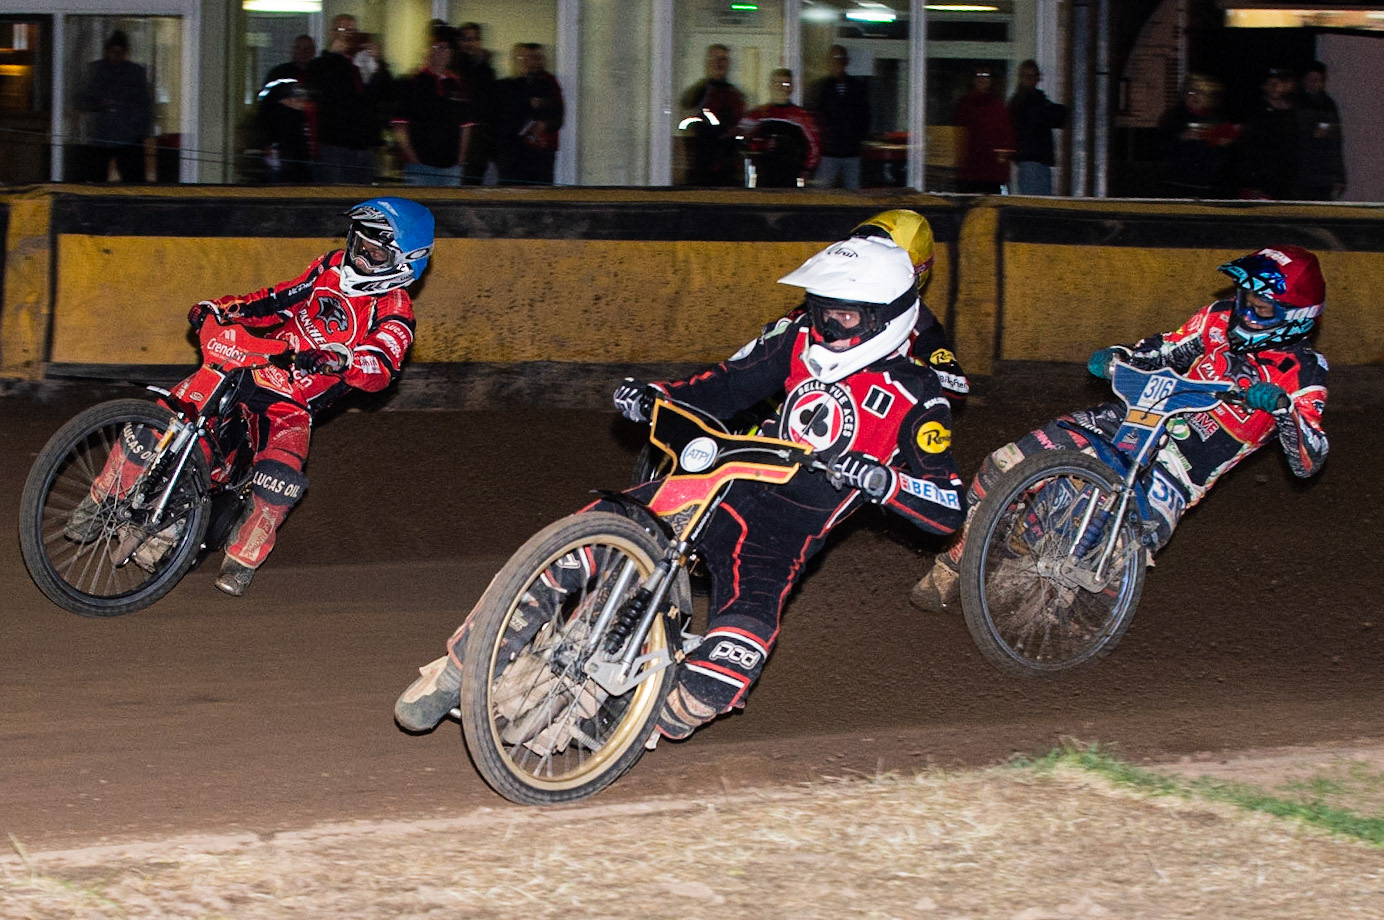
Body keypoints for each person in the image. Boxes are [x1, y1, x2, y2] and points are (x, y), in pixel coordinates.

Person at [395, 235, 967, 736]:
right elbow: (723, 385)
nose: (825, 326)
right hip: (719, 486)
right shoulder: (797, 343)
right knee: (595, 526)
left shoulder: (919, 397)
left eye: (843, 317)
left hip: (777, 540)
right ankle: (456, 671)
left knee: (721, 680)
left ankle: (631, 724)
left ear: (886, 317)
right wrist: (658, 397)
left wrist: (884, 481)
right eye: (820, 311)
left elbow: (948, 509)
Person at [910, 245, 1329, 612]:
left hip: (1183, 469)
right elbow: (1166, 348)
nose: (1246, 310)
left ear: (1296, 316)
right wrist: (1121, 355)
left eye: (1262, 306)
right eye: (1245, 298)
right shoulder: (1217, 320)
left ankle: (1061, 637)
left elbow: (1310, 459)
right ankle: (950, 566)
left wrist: (1283, 409)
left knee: (1106, 570)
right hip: (1135, 419)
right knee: (1006, 464)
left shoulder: (1305, 372)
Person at [70, 199, 432, 598]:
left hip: (291, 403)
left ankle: (242, 559)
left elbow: (382, 365)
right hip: (253, 363)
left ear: (404, 262)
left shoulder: (395, 311)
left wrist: (341, 359)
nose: (359, 257)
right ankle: (100, 501)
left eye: (374, 252)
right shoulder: (327, 267)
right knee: (163, 420)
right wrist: (220, 309)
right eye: (358, 244)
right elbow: (274, 300)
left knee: (280, 479)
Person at [307, 14, 393, 184]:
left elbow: (386, 93)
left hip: (364, 144)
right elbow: (316, 85)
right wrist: (333, 55)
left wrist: (378, 63)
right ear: (331, 33)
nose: (346, 34)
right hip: (335, 145)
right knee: (336, 198)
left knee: (361, 199)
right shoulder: (323, 63)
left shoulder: (363, 64)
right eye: (341, 29)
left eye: (351, 30)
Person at [391, 25, 471, 187]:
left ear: (451, 53)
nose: (440, 52)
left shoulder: (457, 84)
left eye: (445, 48)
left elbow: (466, 126)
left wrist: (461, 159)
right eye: (436, 47)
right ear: (428, 50)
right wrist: (412, 157)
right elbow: (399, 125)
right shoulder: (412, 82)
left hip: (451, 168)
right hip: (420, 167)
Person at [74, 30, 154, 184]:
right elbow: (80, 99)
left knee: (134, 183)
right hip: (100, 136)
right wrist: (97, 105)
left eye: (120, 52)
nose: (116, 56)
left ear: (125, 53)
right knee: (95, 181)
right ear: (107, 51)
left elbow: (144, 104)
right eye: (113, 52)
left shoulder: (135, 73)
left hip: (129, 137)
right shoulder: (95, 71)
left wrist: (140, 130)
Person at [1155, 73, 1240, 199]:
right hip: (1177, 183)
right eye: (1191, 92)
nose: (1195, 96)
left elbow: (1225, 157)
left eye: (1201, 92)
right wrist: (1181, 138)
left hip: (1206, 185)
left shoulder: (1216, 119)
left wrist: (1224, 144)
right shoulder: (1174, 117)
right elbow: (1159, 147)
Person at [495, 43, 565, 185]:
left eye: (529, 58)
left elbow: (557, 116)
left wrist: (544, 124)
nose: (525, 61)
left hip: (538, 156)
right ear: (513, 60)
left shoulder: (545, 85)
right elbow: (498, 120)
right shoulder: (502, 87)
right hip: (511, 156)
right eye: (521, 57)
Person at [678, 44, 747, 186]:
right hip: (701, 170)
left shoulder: (735, 95)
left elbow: (740, 128)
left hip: (729, 170)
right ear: (707, 62)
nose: (719, 63)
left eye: (723, 59)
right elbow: (688, 124)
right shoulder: (697, 93)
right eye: (715, 58)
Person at [738, 68, 820, 188]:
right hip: (763, 176)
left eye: (786, 84)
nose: (782, 88)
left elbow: (814, 146)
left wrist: (806, 170)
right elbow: (742, 138)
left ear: (792, 87)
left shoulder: (801, 117)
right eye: (778, 83)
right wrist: (762, 145)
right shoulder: (758, 114)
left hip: (790, 176)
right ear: (771, 86)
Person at [809, 45, 871, 190]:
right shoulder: (821, 87)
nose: (837, 63)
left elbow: (865, 115)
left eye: (840, 58)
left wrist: (858, 137)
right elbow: (815, 117)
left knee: (853, 191)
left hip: (852, 151)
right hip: (828, 151)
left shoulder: (857, 87)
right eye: (833, 59)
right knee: (821, 192)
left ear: (846, 61)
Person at [257, 34, 317, 184]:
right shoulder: (279, 75)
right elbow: (265, 109)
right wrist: (267, 142)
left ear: (313, 51)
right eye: (299, 48)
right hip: (283, 144)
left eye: (307, 48)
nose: (303, 52)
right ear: (293, 50)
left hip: (311, 147)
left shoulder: (318, 75)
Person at [1237, 67, 1299, 200]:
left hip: (1286, 182)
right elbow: (1249, 149)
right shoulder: (1257, 112)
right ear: (1264, 86)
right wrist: (1253, 183)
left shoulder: (1292, 113)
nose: (1274, 87)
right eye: (1271, 84)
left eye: (1278, 83)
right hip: (1262, 182)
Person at [1007, 60, 1066, 195]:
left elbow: (1055, 117)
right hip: (1031, 160)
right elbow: (1052, 117)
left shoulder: (1028, 100)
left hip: (1035, 160)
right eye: (1028, 76)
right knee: (1036, 204)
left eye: (1034, 76)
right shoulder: (1025, 101)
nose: (1032, 80)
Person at [953, 66, 1014, 194]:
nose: (982, 79)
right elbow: (959, 136)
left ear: (991, 80)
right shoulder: (964, 105)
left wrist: (1003, 170)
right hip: (969, 171)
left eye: (985, 75)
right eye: (978, 75)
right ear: (972, 79)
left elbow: (1005, 138)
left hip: (991, 173)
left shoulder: (998, 106)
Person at [455, 22, 499, 185]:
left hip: (479, 142)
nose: (469, 44)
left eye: (473, 39)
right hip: (457, 139)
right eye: (465, 39)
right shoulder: (452, 71)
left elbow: (490, 107)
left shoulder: (486, 71)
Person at [1294, 62, 1346, 201]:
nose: (1315, 84)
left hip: (1323, 178)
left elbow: (1334, 145)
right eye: (1311, 79)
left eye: (1319, 80)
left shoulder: (1328, 105)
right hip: (1298, 175)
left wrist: (1338, 177)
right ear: (1304, 80)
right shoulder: (1294, 103)